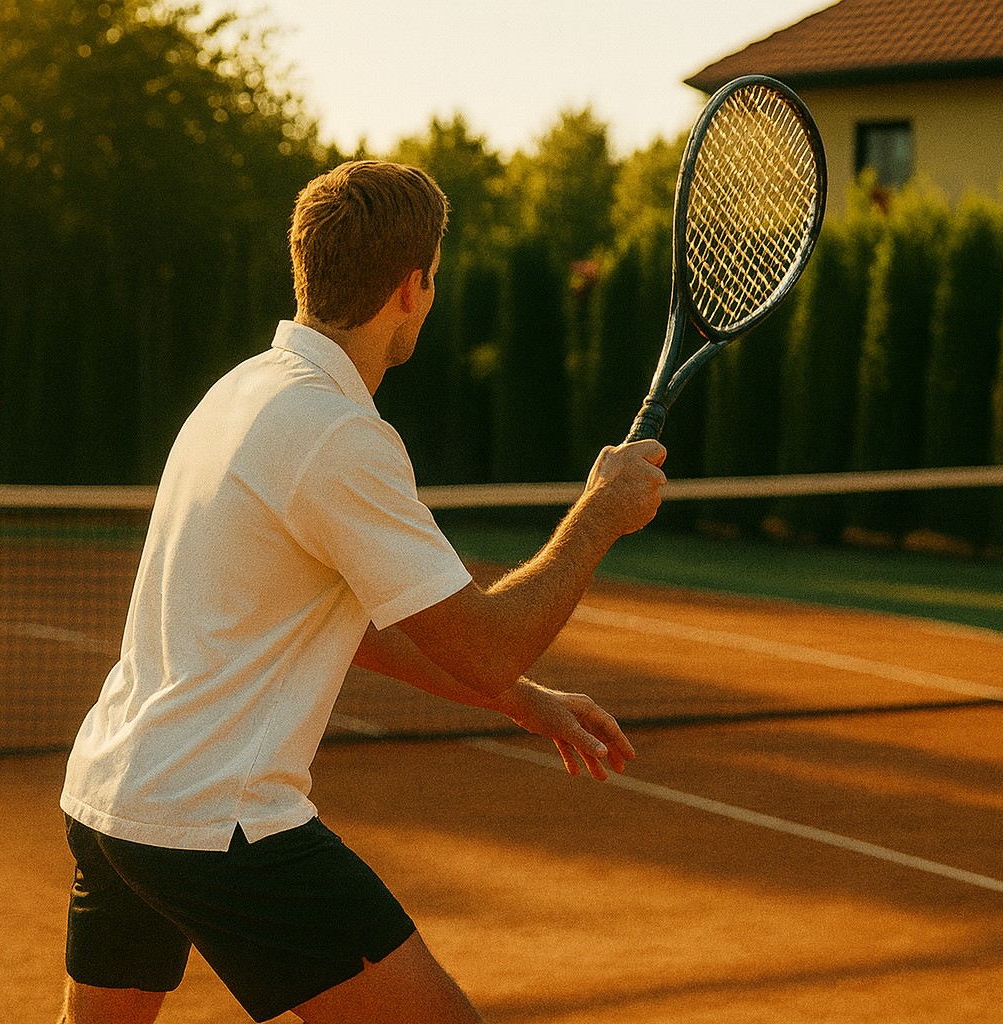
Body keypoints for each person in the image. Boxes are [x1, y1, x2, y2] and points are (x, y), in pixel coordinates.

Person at [57, 161, 667, 1023]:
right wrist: (599, 514)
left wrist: (523, 702)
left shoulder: (242, 390)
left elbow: (365, 629)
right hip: (219, 824)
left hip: (112, 798)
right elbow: (488, 640)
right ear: (413, 288)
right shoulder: (340, 433)